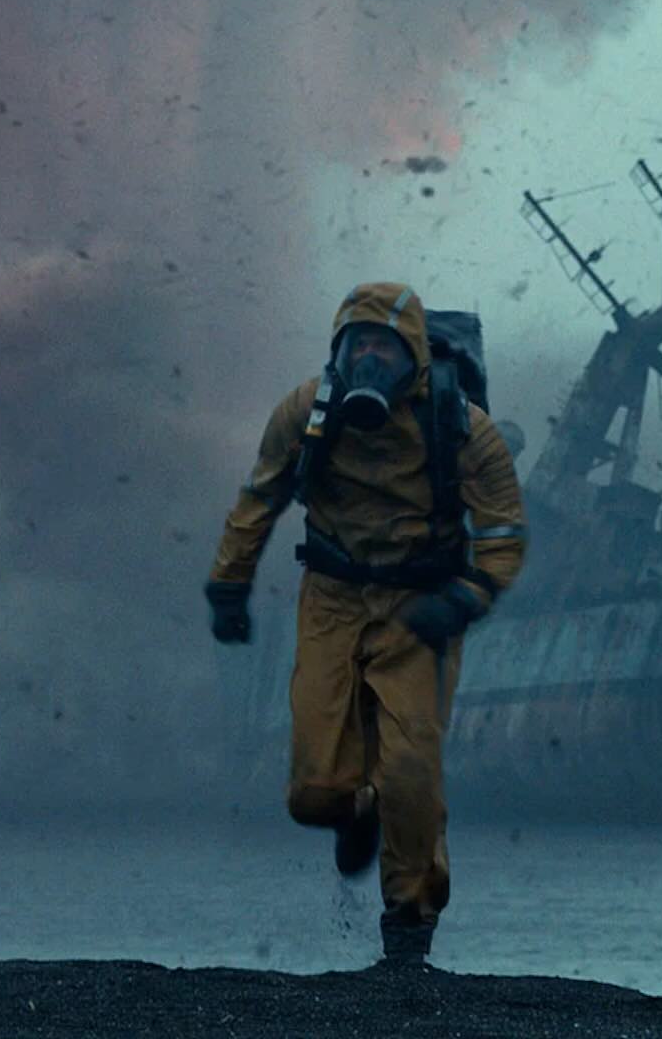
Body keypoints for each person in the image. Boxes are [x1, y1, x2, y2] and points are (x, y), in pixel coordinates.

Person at [205, 282, 526, 965]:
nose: (370, 359)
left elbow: (502, 532)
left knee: (411, 770)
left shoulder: (462, 426)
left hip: (419, 606)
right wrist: (229, 584)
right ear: (339, 351)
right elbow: (260, 498)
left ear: (414, 355)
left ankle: (409, 927)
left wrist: (466, 598)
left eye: (385, 345)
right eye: (358, 345)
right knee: (312, 793)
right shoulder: (306, 413)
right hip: (333, 599)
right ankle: (357, 813)